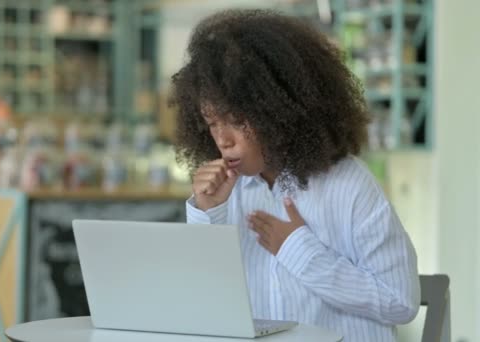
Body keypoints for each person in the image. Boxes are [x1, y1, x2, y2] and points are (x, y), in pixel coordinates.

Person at [171, 9, 420, 341]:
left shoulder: (349, 185)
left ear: (278, 110)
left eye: (236, 120)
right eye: (213, 122)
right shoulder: (226, 193)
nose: (223, 138)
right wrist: (207, 214)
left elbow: (401, 302)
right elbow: (200, 301)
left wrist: (297, 249)